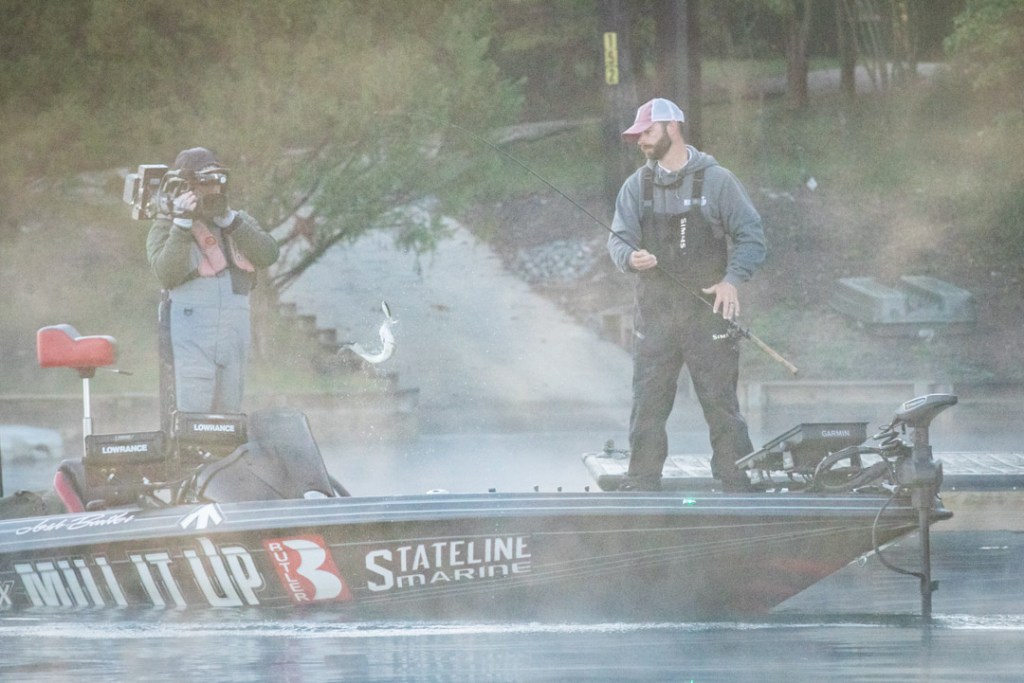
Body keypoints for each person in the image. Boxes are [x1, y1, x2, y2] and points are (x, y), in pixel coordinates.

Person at [607, 98, 766, 491]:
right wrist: (630, 258)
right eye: (638, 134)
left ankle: (735, 478)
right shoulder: (635, 186)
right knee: (648, 400)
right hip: (655, 314)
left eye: (647, 132)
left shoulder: (718, 181)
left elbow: (752, 237)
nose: (641, 140)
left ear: (672, 128)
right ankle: (642, 479)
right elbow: (618, 241)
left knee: (720, 401)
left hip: (709, 311)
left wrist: (732, 280)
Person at [147, 147, 280, 414]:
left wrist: (230, 221)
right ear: (185, 187)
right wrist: (182, 224)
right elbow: (166, 273)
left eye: (216, 182)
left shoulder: (238, 221)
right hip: (192, 329)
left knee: (230, 409)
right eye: (203, 183)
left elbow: (268, 254)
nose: (211, 190)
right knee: (193, 408)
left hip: (234, 330)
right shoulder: (166, 226)